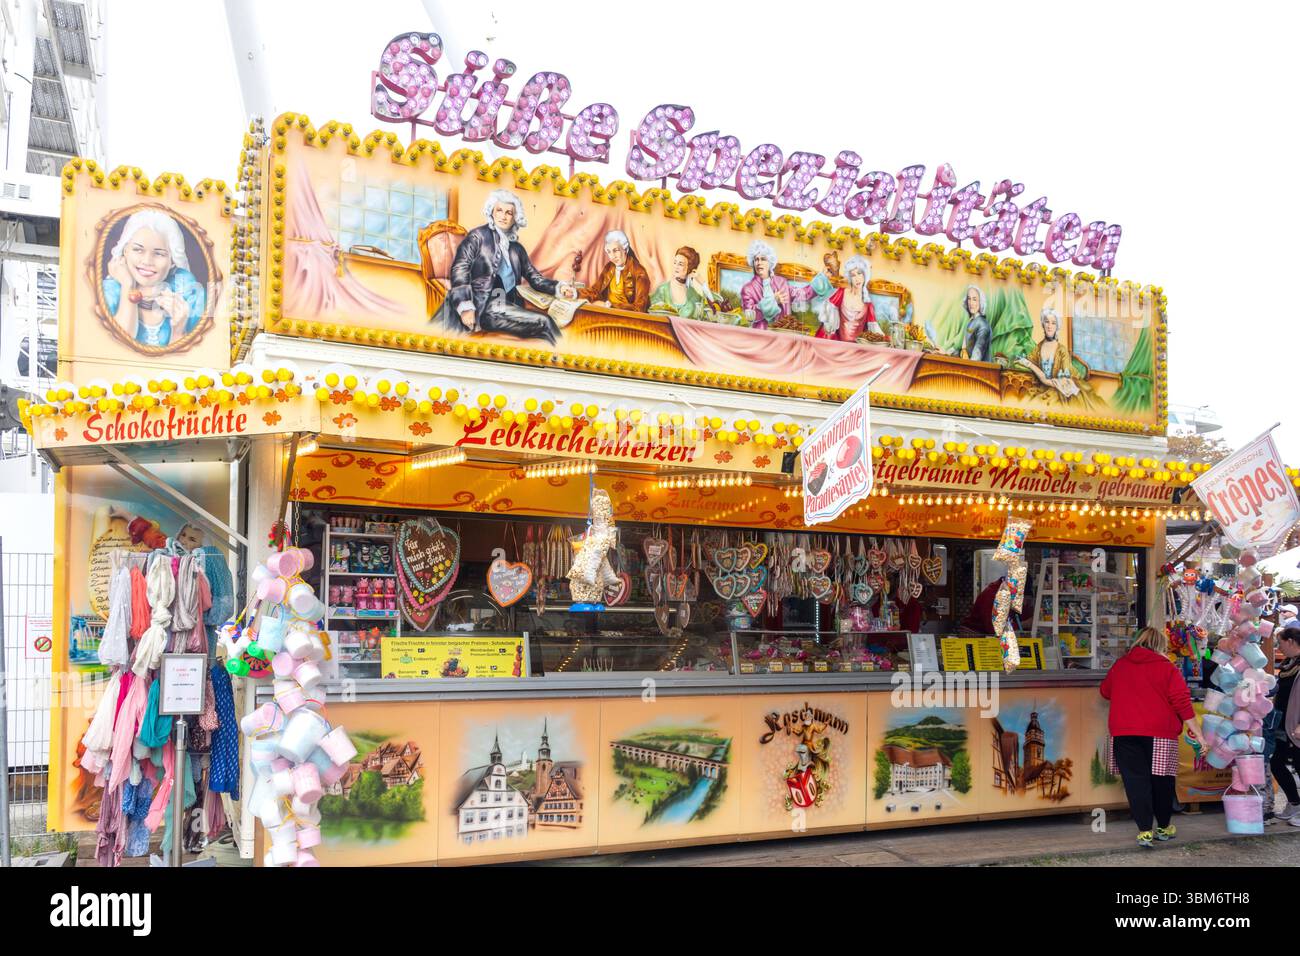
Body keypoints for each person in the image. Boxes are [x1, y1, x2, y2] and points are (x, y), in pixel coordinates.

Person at [1100, 627, 1203, 847]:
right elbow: (1182, 703)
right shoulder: (1167, 668)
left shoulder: (1120, 665)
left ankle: (1145, 831)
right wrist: (1201, 736)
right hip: (1160, 733)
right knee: (1162, 781)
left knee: (1135, 782)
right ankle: (1164, 828)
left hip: (1124, 733)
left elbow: (1105, 691)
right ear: (1160, 646)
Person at [440, 189, 577, 345]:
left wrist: (559, 288)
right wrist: (465, 306)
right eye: (499, 210)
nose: (503, 216)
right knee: (544, 322)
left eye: (509, 213)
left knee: (544, 331)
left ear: (515, 218)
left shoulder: (517, 249)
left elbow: (535, 278)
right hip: (484, 308)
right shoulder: (477, 236)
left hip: (508, 306)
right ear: (491, 211)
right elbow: (460, 269)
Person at [103, 209, 206, 347]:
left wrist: (178, 331)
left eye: (159, 254)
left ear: (172, 260)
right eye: (138, 250)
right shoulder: (109, 291)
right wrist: (128, 286)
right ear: (125, 251)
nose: (147, 261)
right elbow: (117, 347)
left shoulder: (188, 291)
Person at [739, 240, 818, 329]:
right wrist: (772, 301)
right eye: (756, 259)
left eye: (763, 259)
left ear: (770, 262)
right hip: (760, 336)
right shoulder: (748, 289)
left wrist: (822, 281)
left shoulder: (781, 283)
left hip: (782, 335)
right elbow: (750, 315)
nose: (759, 263)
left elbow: (802, 294)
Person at [1269, 622, 1300, 824]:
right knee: (1277, 763)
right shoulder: (1288, 664)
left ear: (1290, 641)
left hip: (1296, 725)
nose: (1279, 648)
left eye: (1280, 644)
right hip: (1283, 723)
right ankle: (1295, 803)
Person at [579, 230, 651, 313]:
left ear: (625, 249)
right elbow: (595, 291)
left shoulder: (639, 272)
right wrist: (575, 293)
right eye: (609, 252)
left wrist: (609, 306)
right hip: (607, 313)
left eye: (615, 250)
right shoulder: (609, 267)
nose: (612, 256)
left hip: (629, 319)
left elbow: (639, 308)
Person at [813, 254, 882, 341]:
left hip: (857, 350)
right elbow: (828, 322)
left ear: (865, 275)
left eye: (859, 274)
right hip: (837, 345)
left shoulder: (868, 305)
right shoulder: (841, 293)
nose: (857, 279)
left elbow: (875, 333)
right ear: (850, 278)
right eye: (853, 275)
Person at [648, 246, 722, 319]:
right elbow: (650, 312)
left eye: (680, 264)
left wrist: (703, 284)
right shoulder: (663, 290)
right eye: (675, 262)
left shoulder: (694, 295)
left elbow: (713, 312)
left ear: (689, 268)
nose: (676, 266)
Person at [950, 284, 991, 362]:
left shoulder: (983, 325)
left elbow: (977, 355)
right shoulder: (971, 322)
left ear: (980, 302)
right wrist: (946, 353)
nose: (971, 303)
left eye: (974, 299)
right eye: (969, 299)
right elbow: (964, 350)